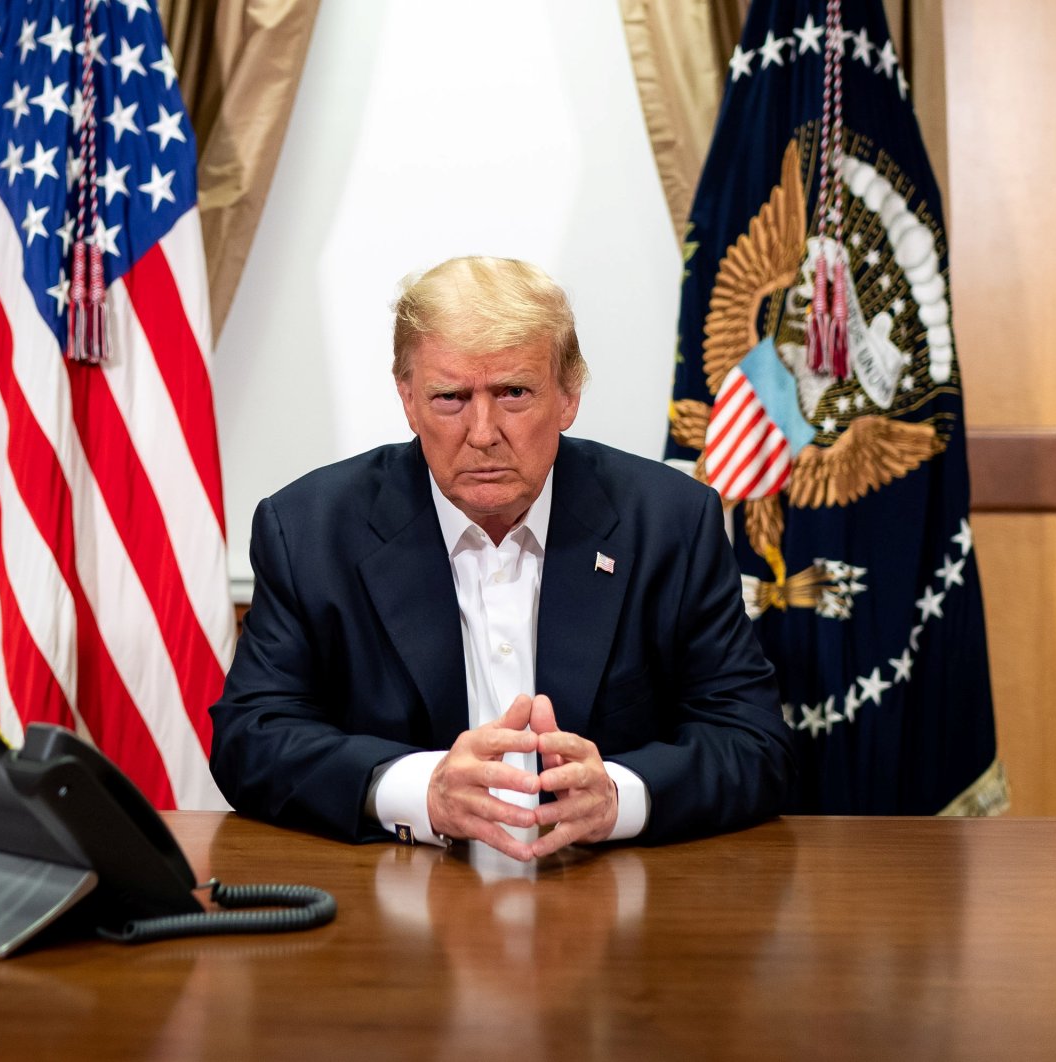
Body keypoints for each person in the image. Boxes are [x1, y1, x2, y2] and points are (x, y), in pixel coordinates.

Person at [209, 256, 792, 861]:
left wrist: (617, 796)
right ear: (407, 398)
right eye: (450, 397)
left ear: (568, 395)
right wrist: (419, 789)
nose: (483, 432)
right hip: (401, 910)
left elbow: (753, 742)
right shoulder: (310, 530)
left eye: (513, 393)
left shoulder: (671, 523)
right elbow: (252, 739)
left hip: (606, 905)